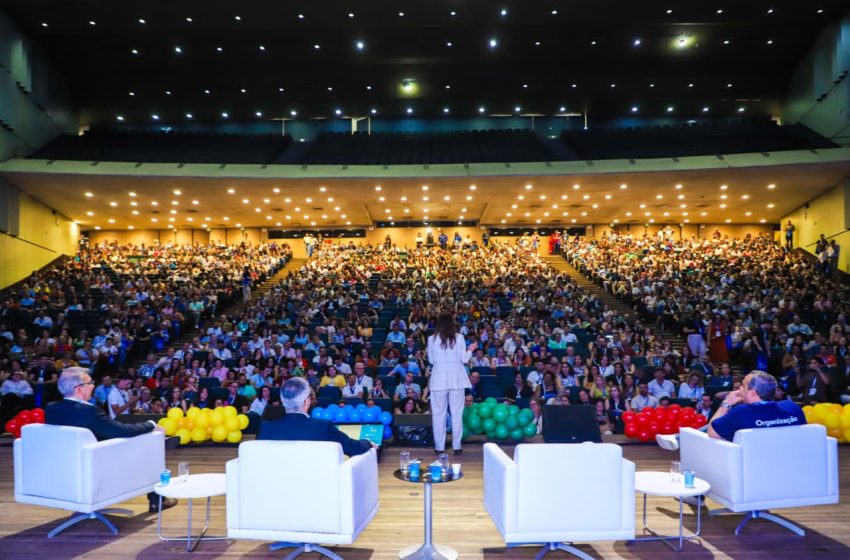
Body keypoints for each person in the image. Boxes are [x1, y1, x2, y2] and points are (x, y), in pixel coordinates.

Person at [45, 367, 177, 512]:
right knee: (151, 445)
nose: (93, 386)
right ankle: (157, 501)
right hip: (100, 465)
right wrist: (151, 425)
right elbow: (122, 431)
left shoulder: (51, 409)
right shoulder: (89, 412)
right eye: (89, 383)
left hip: (68, 469)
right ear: (79, 389)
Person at [257, 377, 374, 457]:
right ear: (307, 401)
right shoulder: (323, 427)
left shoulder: (266, 427)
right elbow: (353, 448)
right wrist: (367, 442)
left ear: (282, 401)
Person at [708, 370, 806, 441]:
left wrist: (726, 403)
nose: (740, 388)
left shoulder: (742, 412)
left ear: (753, 393)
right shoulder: (793, 407)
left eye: (743, 386)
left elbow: (712, 433)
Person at [427, 313, 475, 455]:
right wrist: (470, 351)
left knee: (438, 415)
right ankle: (457, 446)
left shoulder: (432, 339)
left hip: (439, 381)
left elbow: (431, 360)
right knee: (456, 414)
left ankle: (439, 447)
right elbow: (464, 360)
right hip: (456, 380)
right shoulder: (459, 338)